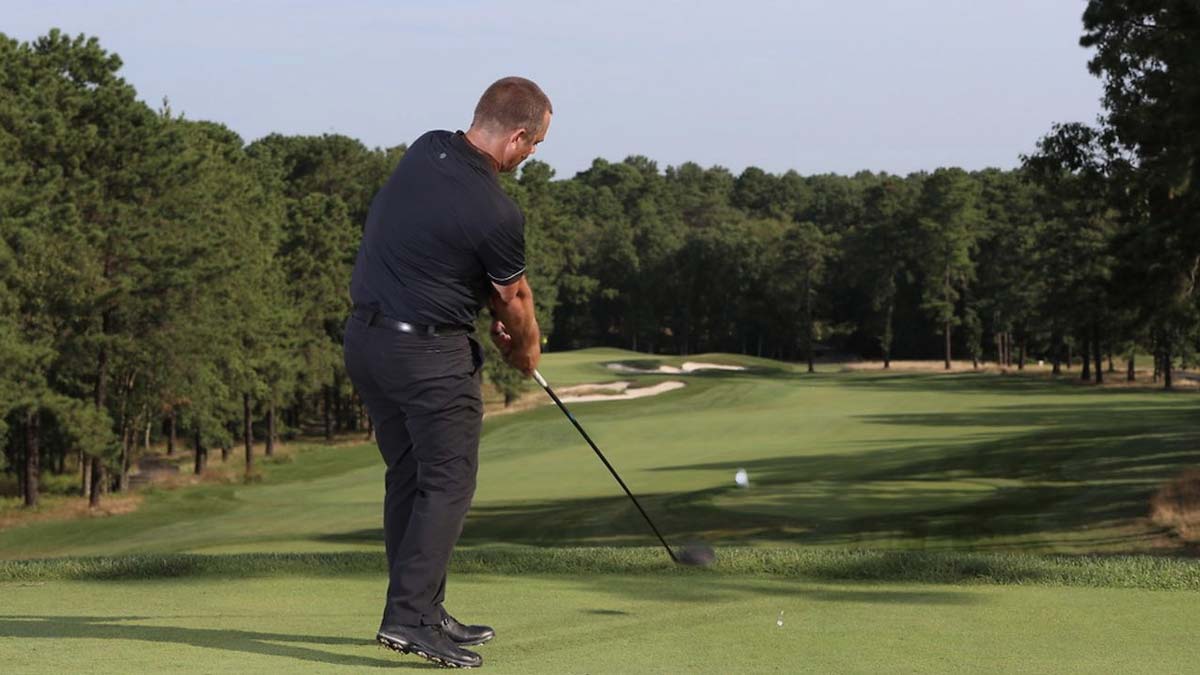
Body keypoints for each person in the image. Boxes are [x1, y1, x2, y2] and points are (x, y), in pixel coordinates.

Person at [342, 76, 550, 669]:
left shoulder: (426, 146)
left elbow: (434, 249)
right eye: (534, 146)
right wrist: (525, 353)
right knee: (449, 482)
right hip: (429, 358)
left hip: (367, 342)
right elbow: (515, 299)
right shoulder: (497, 211)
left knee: (409, 476)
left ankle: (424, 609)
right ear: (516, 137)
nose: (531, 156)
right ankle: (409, 618)